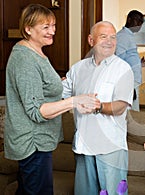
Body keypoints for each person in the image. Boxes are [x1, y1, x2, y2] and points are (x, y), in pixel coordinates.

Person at [4, 4, 100, 195]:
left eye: (53, 25)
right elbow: (36, 111)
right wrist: (74, 101)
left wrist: (58, 83)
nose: (52, 31)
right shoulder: (25, 59)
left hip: (39, 141)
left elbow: (37, 85)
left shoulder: (36, 52)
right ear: (28, 29)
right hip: (32, 142)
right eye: (45, 27)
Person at [62, 21, 134, 195]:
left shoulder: (123, 69)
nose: (109, 41)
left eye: (113, 37)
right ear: (90, 40)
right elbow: (61, 94)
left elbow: (120, 106)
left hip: (110, 146)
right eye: (103, 37)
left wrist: (98, 106)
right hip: (83, 145)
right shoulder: (78, 69)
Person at [116, 10, 144, 111]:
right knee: (131, 114)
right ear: (129, 19)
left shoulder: (129, 36)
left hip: (133, 81)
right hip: (128, 82)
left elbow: (127, 58)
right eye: (138, 20)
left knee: (134, 113)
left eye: (141, 22)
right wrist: (128, 86)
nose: (140, 24)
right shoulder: (122, 36)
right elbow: (118, 62)